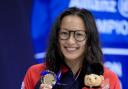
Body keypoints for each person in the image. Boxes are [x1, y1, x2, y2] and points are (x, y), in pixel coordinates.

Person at [22, 7, 121, 89]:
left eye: (79, 34)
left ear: (90, 39)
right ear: (56, 37)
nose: (70, 41)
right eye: (64, 33)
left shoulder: (108, 78)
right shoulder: (34, 73)